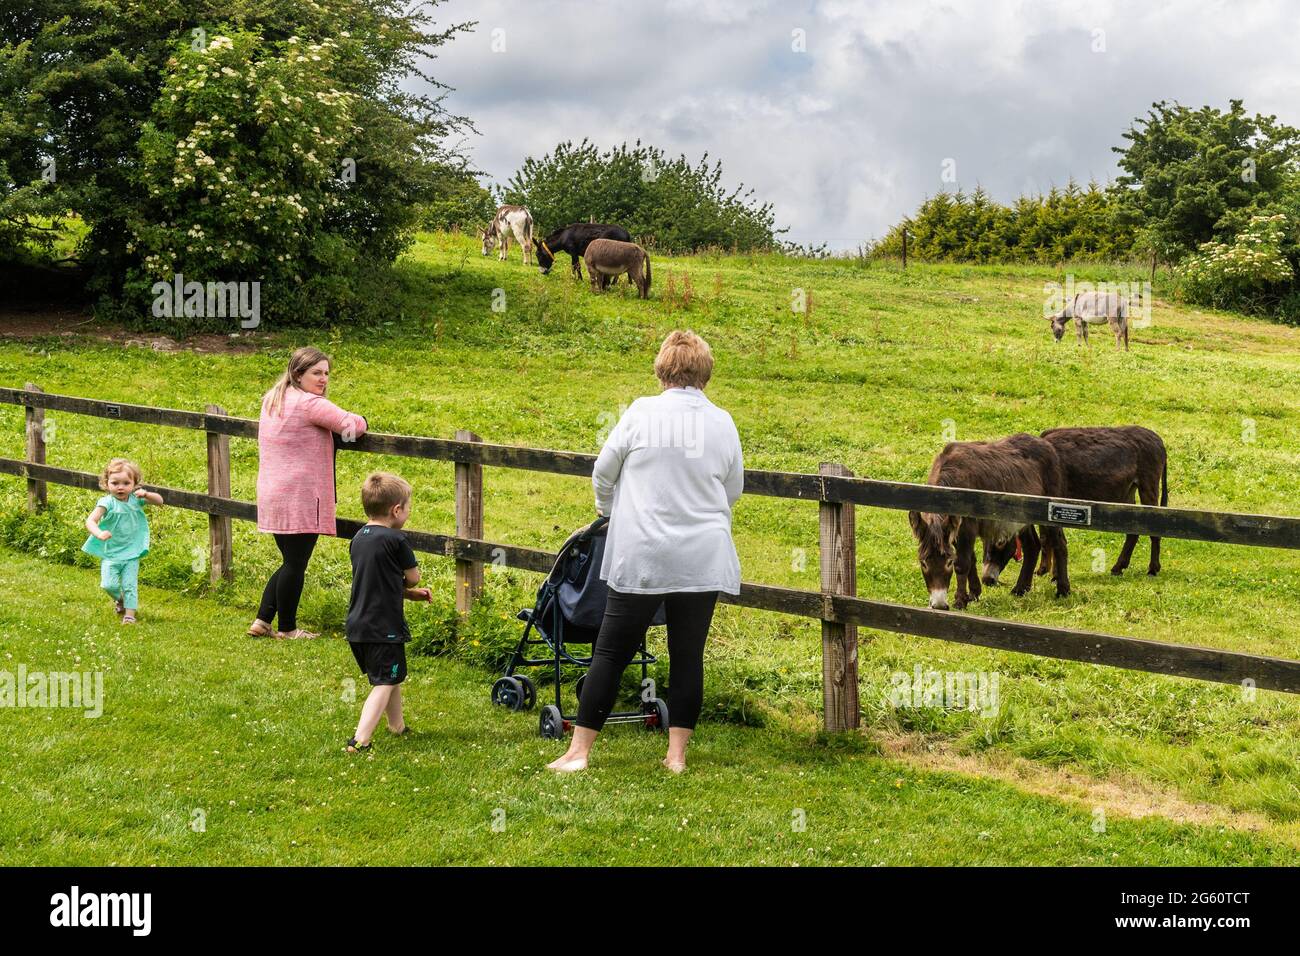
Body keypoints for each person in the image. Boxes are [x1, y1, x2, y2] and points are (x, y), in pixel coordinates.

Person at [547, 330, 744, 774]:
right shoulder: (723, 421)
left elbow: (604, 471)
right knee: (688, 654)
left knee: (612, 652)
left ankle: (578, 752)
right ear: (705, 372)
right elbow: (733, 489)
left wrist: (613, 510)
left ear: (662, 368)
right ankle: (676, 756)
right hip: (701, 555)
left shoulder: (641, 412)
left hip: (644, 553)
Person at [248, 346, 368, 639]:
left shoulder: (273, 399)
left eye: (326, 373)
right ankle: (287, 628)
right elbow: (352, 426)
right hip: (301, 495)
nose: (324, 379)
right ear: (298, 374)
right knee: (295, 563)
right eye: (317, 372)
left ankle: (263, 621)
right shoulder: (310, 404)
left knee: (290, 561)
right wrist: (362, 418)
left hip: (273, 490)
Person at [344, 472, 431, 753]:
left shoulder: (359, 538)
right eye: (408, 507)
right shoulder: (396, 540)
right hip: (384, 627)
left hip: (358, 625)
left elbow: (378, 580)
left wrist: (407, 593)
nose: (408, 512)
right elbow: (413, 577)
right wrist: (412, 586)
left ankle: (397, 725)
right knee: (384, 682)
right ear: (396, 510)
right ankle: (361, 739)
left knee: (391, 675)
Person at [83, 458, 165, 625]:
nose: (120, 487)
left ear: (135, 484)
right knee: (108, 585)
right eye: (115, 483)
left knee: (130, 585)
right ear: (107, 484)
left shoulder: (136, 499)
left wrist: (147, 494)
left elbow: (160, 501)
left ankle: (129, 615)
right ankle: (120, 599)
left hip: (132, 551)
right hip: (111, 552)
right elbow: (90, 521)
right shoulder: (107, 502)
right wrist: (99, 533)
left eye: (126, 483)